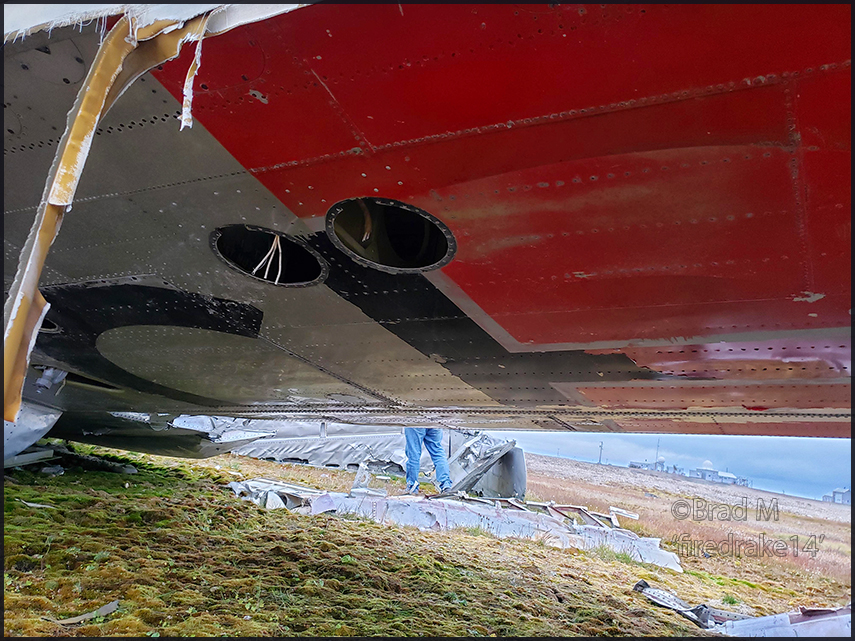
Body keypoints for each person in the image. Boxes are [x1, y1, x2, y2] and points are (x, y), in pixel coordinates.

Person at [404, 427, 452, 495]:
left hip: (416, 421)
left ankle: (412, 487)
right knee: (437, 452)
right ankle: (446, 485)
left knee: (413, 453)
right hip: (435, 421)